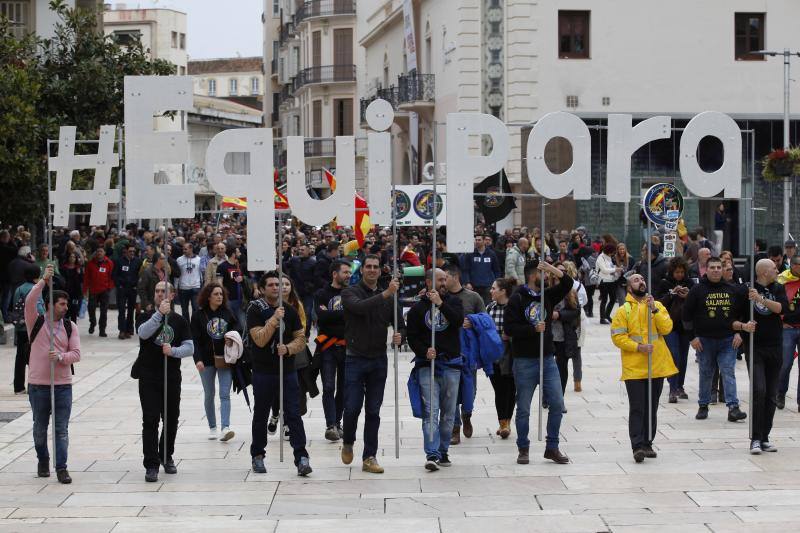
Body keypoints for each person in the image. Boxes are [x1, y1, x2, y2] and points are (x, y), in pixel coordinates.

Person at [504, 259, 573, 465]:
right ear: (534, 275)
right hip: (525, 360)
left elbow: (568, 283)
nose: (547, 277)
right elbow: (509, 329)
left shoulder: (547, 295)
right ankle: (523, 447)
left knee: (557, 404)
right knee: (524, 407)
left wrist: (552, 268)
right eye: (543, 274)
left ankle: (552, 446)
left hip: (547, 359)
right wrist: (532, 330)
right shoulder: (517, 298)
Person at [340, 254, 403, 474]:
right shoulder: (349, 292)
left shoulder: (390, 296)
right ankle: (348, 441)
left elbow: (400, 324)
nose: (372, 270)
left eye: (376, 267)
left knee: (373, 411)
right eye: (368, 266)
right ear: (362, 270)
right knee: (352, 408)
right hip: (355, 357)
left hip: (378, 359)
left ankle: (369, 456)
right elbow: (361, 308)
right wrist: (386, 293)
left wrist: (399, 335)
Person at [247, 271, 312, 476]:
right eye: (272, 285)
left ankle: (301, 457)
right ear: (263, 288)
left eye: (279, 284)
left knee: (294, 413)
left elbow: (301, 338)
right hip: (264, 371)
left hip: (287, 370)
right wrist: (274, 319)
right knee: (261, 414)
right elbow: (259, 339)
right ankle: (258, 454)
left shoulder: (290, 310)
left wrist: (290, 348)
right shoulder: (255, 309)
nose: (276, 287)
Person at [23, 265, 80, 483]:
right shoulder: (35, 321)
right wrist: (43, 281)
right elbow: (30, 300)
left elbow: (76, 354)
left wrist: (61, 357)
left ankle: (62, 467)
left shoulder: (70, 326)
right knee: (39, 428)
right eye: (62, 304)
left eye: (66, 304)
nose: (66, 307)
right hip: (39, 385)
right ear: (50, 305)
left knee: (61, 429)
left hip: (63, 385)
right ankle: (43, 459)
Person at [611, 273, 676, 462]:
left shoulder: (657, 306)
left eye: (642, 279)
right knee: (638, 407)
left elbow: (667, 328)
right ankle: (637, 445)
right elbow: (617, 337)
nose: (641, 282)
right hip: (635, 368)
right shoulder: (624, 311)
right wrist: (638, 347)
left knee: (652, 406)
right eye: (636, 280)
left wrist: (654, 310)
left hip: (656, 366)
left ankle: (648, 442)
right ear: (629, 287)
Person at [134, 281, 195, 482]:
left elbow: (189, 348)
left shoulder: (179, 320)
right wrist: (159, 314)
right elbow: (143, 333)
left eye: (164, 291)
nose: (160, 294)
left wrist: (174, 351)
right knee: (150, 420)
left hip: (171, 376)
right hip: (148, 376)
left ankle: (166, 455)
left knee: (170, 418)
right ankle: (150, 464)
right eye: (157, 291)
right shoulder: (145, 316)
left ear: (172, 295)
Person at [406, 268, 464, 470]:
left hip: (451, 366)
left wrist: (441, 303)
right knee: (431, 411)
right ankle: (432, 453)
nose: (443, 283)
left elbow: (457, 321)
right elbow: (412, 336)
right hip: (427, 366)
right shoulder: (417, 309)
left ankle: (443, 449)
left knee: (448, 413)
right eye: (439, 279)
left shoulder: (454, 302)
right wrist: (424, 351)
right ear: (428, 282)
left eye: (445, 279)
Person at [682, 257, 751, 422]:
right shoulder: (697, 290)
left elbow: (746, 312)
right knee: (706, 373)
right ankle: (703, 405)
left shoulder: (733, 289)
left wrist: (741, 333)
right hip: (704, 341)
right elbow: (686, 315)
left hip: (728, 340)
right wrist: (692, 338)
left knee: (728, 371)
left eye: (718, 267)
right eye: (712, 267)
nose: (715, 270)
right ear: (706, 269)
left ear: (722, 269)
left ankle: (733, 407)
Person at [746, 259, 788, 454]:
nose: (777, 270)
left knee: (771, 394)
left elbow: (781, 308)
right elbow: (738, 315)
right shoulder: (747, 289)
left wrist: (761, 299)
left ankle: (765, 437)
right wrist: (742, 329)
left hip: (775, 347)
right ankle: (755, 438)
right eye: (774, 268)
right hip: (755, 347)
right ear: (763, 272)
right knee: (759, 391)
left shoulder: (778, 288)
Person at [442, 262, 485, 444]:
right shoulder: (440, 298)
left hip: (468, 352)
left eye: (445, 278)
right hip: (448, 352)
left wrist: (473, 322)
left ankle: (467, 414)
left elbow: (485, 320)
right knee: (450, 391)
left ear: (455, 277)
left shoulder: (473, 297)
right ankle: (455, 427)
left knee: (470, 389)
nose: (443, 282)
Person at [191, 282, 238, 443]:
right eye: (216, 294)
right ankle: (212, 427)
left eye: (221, 294)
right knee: (209, 394)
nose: (219, 297)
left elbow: (237, 329)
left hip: (225, 358)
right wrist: (197, 359)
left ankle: (225, 427)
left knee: (225, 394)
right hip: (205, 360)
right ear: (208, 296)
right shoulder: (198, 315)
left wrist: (232, 337)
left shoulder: (228, 313)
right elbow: (194, 340)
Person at [314, 259, 351, 441]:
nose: (348, 275)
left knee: (344, 388)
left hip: (347, 347)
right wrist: (344, 313)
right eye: (345, 272)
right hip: (327, 347)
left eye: (349, 272)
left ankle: (338, 422)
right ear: (335, 274)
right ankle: (330, 425)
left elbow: (355, 315)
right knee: (328, 386)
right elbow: (322, 317)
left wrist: (332, 316)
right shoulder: (322, 293)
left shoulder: (352, 292)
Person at [657, 257, 695, 403]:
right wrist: (672, 293)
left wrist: (688, 295)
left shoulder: (690, 283)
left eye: (682, 272)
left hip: (685, 326)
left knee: (684, 357)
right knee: (674, 355)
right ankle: (672, 388)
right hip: (669, 325)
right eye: (677, 272)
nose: (679, 275)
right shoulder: (664, 283)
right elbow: (659, 303)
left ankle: (680, 385)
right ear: (671, 271)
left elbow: (695, 303)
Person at [487, 277, 517, 439]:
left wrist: (509, 335)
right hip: (493, 355)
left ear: (503, 291)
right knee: (498, 389)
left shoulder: (513, 308)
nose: (491, 291)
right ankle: (502, 422)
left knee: (510, 389)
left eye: (494, 288)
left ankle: (506, 422)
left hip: (510, 354)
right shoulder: (490, 308)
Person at [552, 283, 581, 408]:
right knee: (545, 368)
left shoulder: (571, 292)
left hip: (564, 337)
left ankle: (560, 400)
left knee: (562, 369)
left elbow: (576, 312)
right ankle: (546, 396)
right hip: (547, 336)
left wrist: (559, 315)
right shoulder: (547, 290)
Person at [777, 255, 800, 411]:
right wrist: (781, 321)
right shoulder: (783, 280)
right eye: (798, 264)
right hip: (788, 328)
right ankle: (780, 393)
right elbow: (777, 303)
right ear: (792, 265)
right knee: (785, 364)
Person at [460, 234, 501, 304]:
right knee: (473, 305)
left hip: (488, 286)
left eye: (479, 240)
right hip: (473, 286)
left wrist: (496, 283)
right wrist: (467, 282)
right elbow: (465, 270)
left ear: (484, 241)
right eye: (476, 240)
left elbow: (496, 270)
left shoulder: (491, 254)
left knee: (487, 305)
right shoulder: (470, 254)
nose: (477, 241)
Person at [83, 247, 115, 337]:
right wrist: (85, 290)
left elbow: (112, 276)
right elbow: (86, 277)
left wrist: (109, 287)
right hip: (93, 290)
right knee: (91, 309)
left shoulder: (109, 263)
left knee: (104, 311)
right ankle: (92, 323)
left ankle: (102, 330)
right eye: (97, 251)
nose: (99, 253)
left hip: (105, 291)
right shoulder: (90, 263)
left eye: (101, 251)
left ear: (104, 253)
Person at [216, 247, 248, 328]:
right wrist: (222, 297)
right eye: (238, 252)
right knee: (228, 323)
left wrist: (242, 278)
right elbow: (219, 283)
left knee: (243, 324)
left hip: (240, 300)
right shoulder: (222, 266)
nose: (240, 253)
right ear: (233, 254)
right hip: (228, 299)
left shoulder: (239, 265)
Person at [112, 244, 139, 339]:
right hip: (122, 288)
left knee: (131, 310)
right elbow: (114, 274)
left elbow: (138, 275)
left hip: (132, 289)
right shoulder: (119, 261)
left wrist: (136, 285)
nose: (132, 253)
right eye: (130, 251)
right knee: (122, 310)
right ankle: (122, 330)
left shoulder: (137, 261)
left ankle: (129, 330)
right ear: (126, 251)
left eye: (133, 251)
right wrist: (118, 285)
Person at [596, 243, 621, 325]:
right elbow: (604, 270)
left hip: (611, 281)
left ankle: (607, 315)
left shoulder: (609, 257)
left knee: (613, 299)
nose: (613, 254)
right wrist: (615, 269)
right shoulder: (601, 258)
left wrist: (615, 270)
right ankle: (602, 318)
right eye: (612, 252)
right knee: (604, 299)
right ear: (608, 251)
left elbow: (610, 267)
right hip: (603, 281)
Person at [176, 242, 202, 320]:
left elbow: (201, 273)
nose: (184, 250)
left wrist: (201, 284)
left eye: (186, 249)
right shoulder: (179, 260)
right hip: (183, 287)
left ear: (191, 249)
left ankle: (194, 325)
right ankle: (186, 326)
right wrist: (175, 286)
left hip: (195, 287)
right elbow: (177, 274)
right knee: (184, 310)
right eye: (183, 249)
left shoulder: (199, 259)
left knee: (196, 308)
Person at [60, 252, 83, 324]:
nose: (72, 258)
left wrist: (79, 273)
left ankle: (73, 327)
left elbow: (82, 280)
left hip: (75, 293)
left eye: (74, 257)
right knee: (65, 310)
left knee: (74, 311)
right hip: (65, 292)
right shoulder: (63, 268)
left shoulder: (78, 268)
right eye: (71, 257)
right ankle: (66, 327)